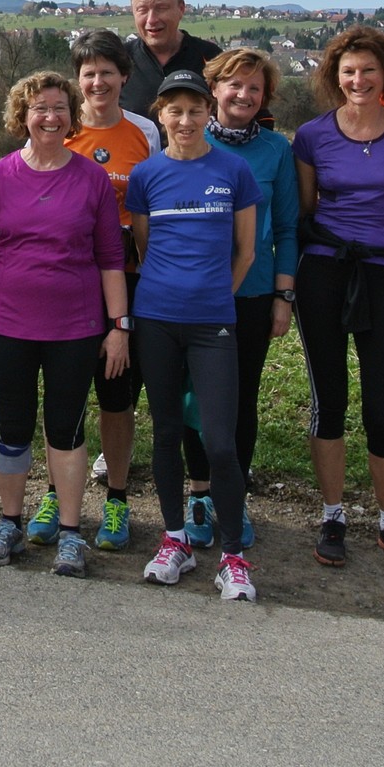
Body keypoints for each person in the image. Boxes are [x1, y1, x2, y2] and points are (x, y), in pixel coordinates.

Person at [0, 71, 129, 580]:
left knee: (65, 428)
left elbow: (111, 258)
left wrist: (119, 326)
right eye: (39, 108)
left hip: (75, 328)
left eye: (59, 108)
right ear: (22, 116)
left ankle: (71, 533)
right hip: (7, 326)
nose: (50, 117)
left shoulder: (92, 179)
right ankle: (10, 522)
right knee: (11, 427)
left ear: (71, 117)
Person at [293, 25, 384, 571]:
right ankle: (333, 515)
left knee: (381, 406)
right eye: (349, 71)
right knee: (328, 400)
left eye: (369, 70)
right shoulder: (312, 136)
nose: (359, 80)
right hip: (325, 274)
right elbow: (307, 213)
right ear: (335, 76)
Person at [126, 70, 262, 600]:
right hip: (156, 319)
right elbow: (144, 246)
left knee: (220, 443)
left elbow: (245, 251)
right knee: (165, 433)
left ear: (209, 113)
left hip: (212, 324)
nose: (185, 120)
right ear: (160, 114)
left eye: (195, 110)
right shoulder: (146, 175)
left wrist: (214, 296)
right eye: (175, 111)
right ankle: (175, 540)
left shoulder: (233, 170)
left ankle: (233, 556)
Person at [53, 29, 159, 552]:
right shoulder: (59, 127)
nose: (98, 82)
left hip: (128, 277)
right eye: (88, 73)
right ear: (78, 79)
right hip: (68, 279)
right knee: (66, 391)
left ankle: (117, 499)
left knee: (117, 393)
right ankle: (56, 493)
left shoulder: (145, 131)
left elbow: (153, 205)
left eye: (107, 72)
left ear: (124, 77)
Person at [192, 48, 300, 552]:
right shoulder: (188, 138)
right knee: (194, 399)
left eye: (254, 88)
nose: (243, 94)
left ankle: (232, 497)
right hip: (193, 293)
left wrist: (283, 296)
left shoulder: (277, 150)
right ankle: (198, 495)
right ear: (214, 88)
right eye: (234, 84)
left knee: (240, 399)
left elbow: (288, 228)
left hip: (252, 294)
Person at [119, 0, 223, 116]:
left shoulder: (212, 58)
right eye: (142, 10)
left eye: (161, 8)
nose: (151, 19)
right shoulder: (119, 60)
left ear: (181, 9)